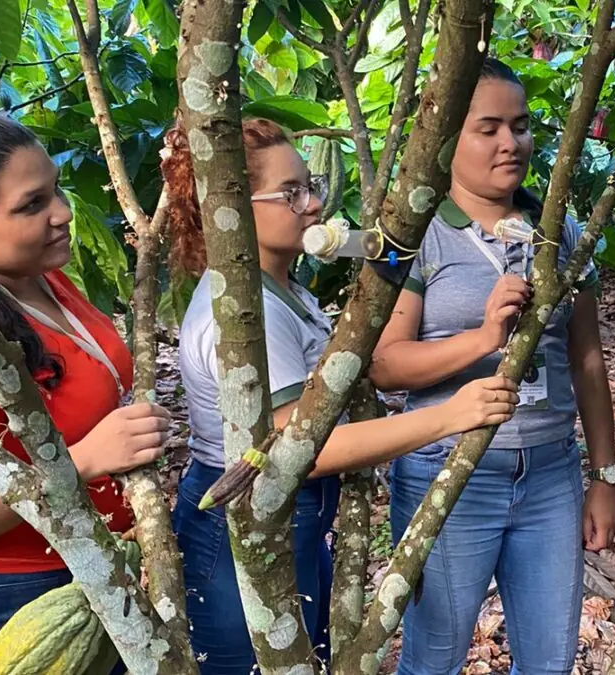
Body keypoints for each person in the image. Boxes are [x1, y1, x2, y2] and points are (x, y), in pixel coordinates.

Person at [164, 116, 520, 674]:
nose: (311, 205)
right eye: (291, 192)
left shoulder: (284, 290)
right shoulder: (241, 314)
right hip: (241, 521)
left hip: (292, 516)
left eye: (312, 187)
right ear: (231, 208)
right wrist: (449, 417)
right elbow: (300, 448)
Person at [370, 58, 615, 675]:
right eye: (488, 128)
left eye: (522, 125)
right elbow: (383, 364)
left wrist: (605, 474)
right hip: (449, 471)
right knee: (434, 656)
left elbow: (586, 360)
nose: (511, 143)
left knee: (549, 658)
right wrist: (484, 337)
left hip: (549, 475)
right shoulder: (416, 234)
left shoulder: (556, 231)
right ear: (449, 136)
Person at [0, 109, 172, 673]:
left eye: (56, 192)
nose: (63, 214)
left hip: (99, 564)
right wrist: (84, 461)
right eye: (32, 205)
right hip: (11, 593)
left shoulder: (41, 275)